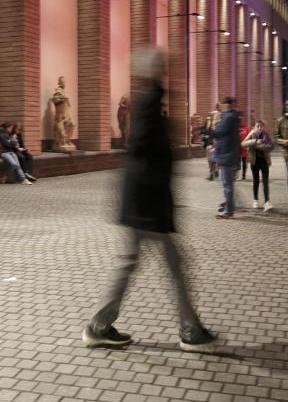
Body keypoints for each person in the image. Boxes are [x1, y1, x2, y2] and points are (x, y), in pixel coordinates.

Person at [82, 47, 218, 353]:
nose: (167, 69)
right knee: (172, 266)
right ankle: (190, 331)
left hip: (143, 203)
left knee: (137, 264)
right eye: (163, 65)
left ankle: (99, 327)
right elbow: (148, 159)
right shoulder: (150, 102)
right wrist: (162, 202)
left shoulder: (150, 101)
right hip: (148, 205)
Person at [212, 96, 242, 219]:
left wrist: (207, 130)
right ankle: (230, 205)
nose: (220, 107)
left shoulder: (228, 117)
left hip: (226, 154)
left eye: (222, 104)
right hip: (227, 153)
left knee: (227, 184)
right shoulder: (231, 116)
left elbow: (218, 132)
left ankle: (229, 210)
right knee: (227, 183)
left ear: (226, 105)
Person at [242, 120, 274, 212]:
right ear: (255, 127)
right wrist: (255, 141)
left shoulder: (266, 135)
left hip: (264, 161)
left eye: (261, 126)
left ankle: (267, 202)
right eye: (258, 126)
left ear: (264, 127)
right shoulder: (252, 134)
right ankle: (255, 200)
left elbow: (272, 146)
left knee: (265, 181)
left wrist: (264, 147)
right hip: (254, 161)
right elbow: (243, 143)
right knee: (256, 181)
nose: (260, 128)